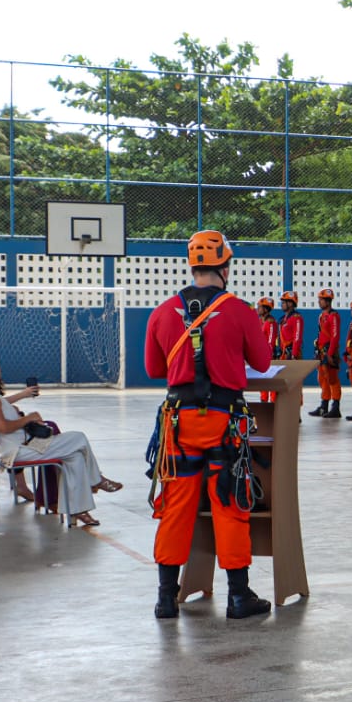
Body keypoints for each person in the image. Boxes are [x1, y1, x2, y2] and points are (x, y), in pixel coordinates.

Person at [143, 231, 271, 619]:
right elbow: (262, 363)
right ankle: (239, 596)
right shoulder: (240, 311)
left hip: (179, 423)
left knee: (175, 507)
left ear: (192, 266)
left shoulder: (163, 312)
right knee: (229, 504)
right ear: (225, 267)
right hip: (223, 422)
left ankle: (166, 598)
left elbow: (153, 369)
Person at [0, 350, 121, 527]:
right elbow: (3, 427)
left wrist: (19, 415)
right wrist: (28, 418)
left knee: (75, 456)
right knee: (79, 438)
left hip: (21, 446)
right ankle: (96, 480)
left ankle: (78, 510)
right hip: (16, 452)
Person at [309, 289, 342, 418]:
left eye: (321, 300)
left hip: (329, 352)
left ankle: (336, 407)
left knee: (332, 379)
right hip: (321, 351)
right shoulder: (321, 316)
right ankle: (324, 406)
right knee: (322, 379)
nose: (319, 302)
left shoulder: (334, 316)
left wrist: (330, 353)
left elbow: (335, 336)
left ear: (328, 301)